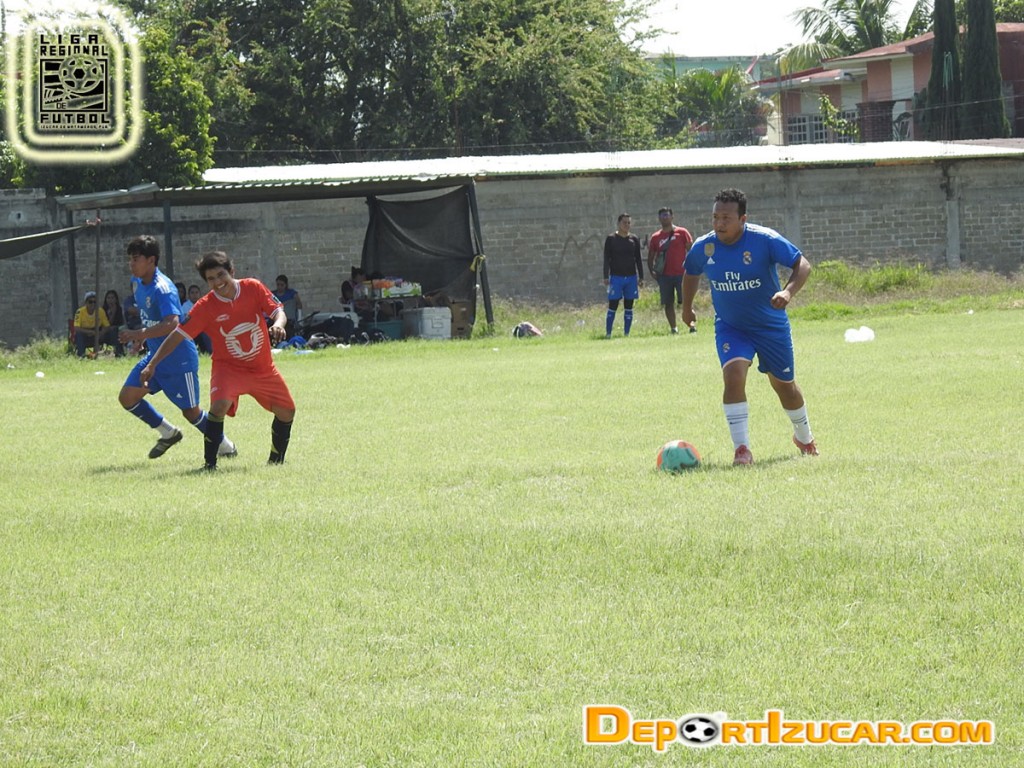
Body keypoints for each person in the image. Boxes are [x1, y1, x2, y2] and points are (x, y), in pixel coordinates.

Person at [682, 188, 819, 466]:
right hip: (731, 327)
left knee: (785, 387)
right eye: (715, 217)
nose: (719, 223)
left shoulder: (764, 240)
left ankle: (804, 438)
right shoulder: (704, 247)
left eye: (726, 218)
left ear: (743, 219)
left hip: (770, 327)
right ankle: (742, 449)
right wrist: (686, 307)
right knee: (733, 375)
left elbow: (802, 264)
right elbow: (691, 273)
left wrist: (788, 292)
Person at [141, 250, 296, 470]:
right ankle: (209, 465)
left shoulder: (253, 287)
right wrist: (152, 363)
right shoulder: (205, 306)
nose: (217, 282)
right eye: (211, 279)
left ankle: (276, 461)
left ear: (232, 271)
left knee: (287, 411)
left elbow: (278, 311)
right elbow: (177, 335)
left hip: (262, 368)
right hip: (228, 369)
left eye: (221, 275)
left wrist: (278, 325)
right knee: (219, 405)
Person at [116, 235, 237, 461]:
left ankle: (225, 446)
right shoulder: (138, 283)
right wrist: (143, 339)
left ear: (151, 260)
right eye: (130, 259)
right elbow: (151, 318)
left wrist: (139, 333)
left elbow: (172, 323)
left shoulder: (163, 289)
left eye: (135, 259)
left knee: (191, 412)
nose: (131, 264)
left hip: (178, 360)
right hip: (155, 358)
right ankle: (168, 433)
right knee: (127, 397)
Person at [648, 207, 693, 334]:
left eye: (667, 215)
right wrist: (652, 271)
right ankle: (674, 328)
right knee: (668, 303)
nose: (665, 218)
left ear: (672, 217)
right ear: (659, 218)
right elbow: (651, 256)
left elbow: (691, 251)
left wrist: (692, 268)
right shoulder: (656, 237)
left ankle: (692, 326)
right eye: (662, 216)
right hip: (665, 275)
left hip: (682, 274)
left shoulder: (682, 232)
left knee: (686, 302)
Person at [602, 213, 644, 338]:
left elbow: (638, 259)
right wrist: (605, 276)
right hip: (616, 277)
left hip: (631, 277)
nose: (627, 225)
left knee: (629, 305)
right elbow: (606, 258)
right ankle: (608, 333)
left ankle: (626, 333)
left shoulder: (634, 239)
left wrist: (641, 277)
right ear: (619, 223)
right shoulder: (611, 239)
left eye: (629, 223)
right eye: (624, 222)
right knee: (613, 304)